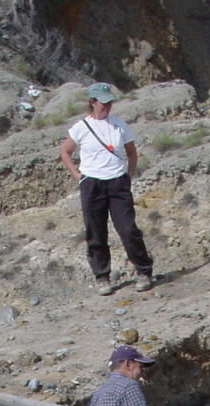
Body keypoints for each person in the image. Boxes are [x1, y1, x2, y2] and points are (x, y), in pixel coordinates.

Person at [60, 82, 155, 296]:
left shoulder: (120, 125)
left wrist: (128, 176)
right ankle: (102, 276)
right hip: (92, 183)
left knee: (128, 228)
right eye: (103, 103)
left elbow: (132, 153)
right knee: (95, 230)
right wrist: (78, 175)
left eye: (110, 102)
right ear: (92, 102)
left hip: (117, 182)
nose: (107, 107)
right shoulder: (80, 127)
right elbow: (65, 152)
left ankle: (144, 270)